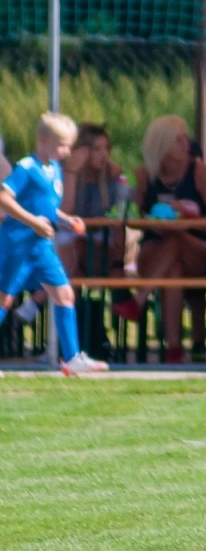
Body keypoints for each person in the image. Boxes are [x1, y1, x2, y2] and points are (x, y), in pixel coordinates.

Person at [0, 113, 108, 375]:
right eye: (61, 145)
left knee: (64, 294)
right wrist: (33, 222)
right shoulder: (27, 168)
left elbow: (45, 207)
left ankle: (71, 358)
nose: (66, 151)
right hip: (18, 244)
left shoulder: (54, 169)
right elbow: (4, 198)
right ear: (43, 140)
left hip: (41, 245)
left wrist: (64, 219)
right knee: (4, 300)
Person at [131, 115, 206, 364]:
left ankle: (140, 300)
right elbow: (132, 217)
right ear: (162, 144)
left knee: (176, 238)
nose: (186, 144)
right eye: (178, 140)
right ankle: (174, 349)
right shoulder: (144, 175)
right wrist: (152, 223)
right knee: (172, 270)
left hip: (196, 249)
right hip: (155, 249)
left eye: (185, 138)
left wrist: (186, 224)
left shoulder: (198, 172)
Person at [60, 123, 127, 281]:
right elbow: (65, 212)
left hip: (101, 244)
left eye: (106, 149)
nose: (104, 154)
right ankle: (75, 305)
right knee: (72, 260)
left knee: (78, 248)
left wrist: (119, 263)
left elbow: (120, 217)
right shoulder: (64, 172)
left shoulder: (112, 176)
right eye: (97, 149)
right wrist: (71, 173)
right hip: (69, 243)